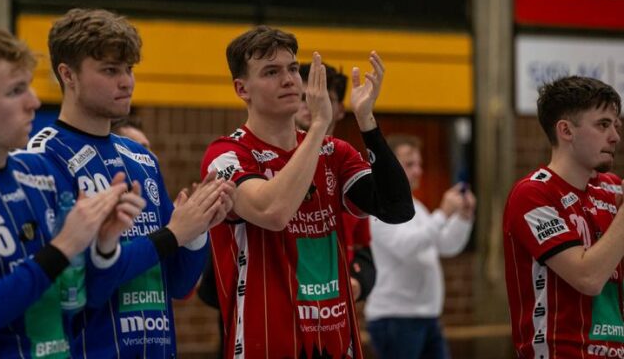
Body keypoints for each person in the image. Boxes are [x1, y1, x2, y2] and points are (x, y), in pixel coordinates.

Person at [27, 8, 233, 358]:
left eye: (129, 69)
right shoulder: (43, 158)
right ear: (68, 74)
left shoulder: (141, 158)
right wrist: (172, 235)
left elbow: (180, 286)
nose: (126, 81)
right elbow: (80, 287)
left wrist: (198, 228)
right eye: (110, 70)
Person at [201, 25, 414, 358]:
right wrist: (317, 127)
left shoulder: (335, 152)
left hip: (334, 341)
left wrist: (367, 122)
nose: (288, 80)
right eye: (271, 72)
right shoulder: (226, 155)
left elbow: (397, 208)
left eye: (291, 69)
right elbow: (273, 212)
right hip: (266, 343)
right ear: (242, 89)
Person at [0, 27, 142, 357]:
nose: (34, 102)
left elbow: (82, 306)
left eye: (28, 86)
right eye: (15, 91)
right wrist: (63, 246)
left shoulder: (39, 173)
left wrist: (104, 244)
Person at [503, 75, 624, 357]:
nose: (615, 136)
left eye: (615, 125)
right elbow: (588, 277)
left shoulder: (611, 188)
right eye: (603, 125)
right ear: (566, 130)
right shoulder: (532, 193)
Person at [365, 135, 476, 359]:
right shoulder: (379, 208)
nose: (418, 171)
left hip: (426, 315)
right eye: (409, 164)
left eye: (419, 164)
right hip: (395, 318)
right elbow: (406, 246)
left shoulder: (416, 207)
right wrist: (443, 213)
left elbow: (445, 245)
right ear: (389, 166)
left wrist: (463, 218)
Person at [296, 62, 376, 302]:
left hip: (335, 309)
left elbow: (364, 251)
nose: (313, 104)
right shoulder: (269, 161)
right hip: (283, 305)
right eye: (304, 97)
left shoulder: (349, 166)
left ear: (340, 109)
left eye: (324, 98)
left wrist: (358, 282)